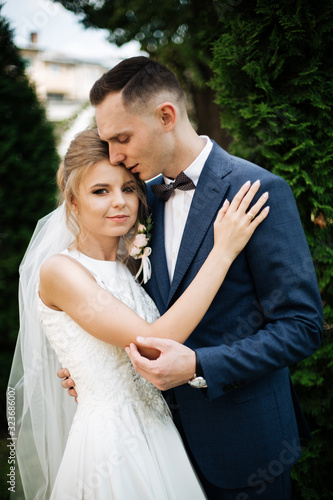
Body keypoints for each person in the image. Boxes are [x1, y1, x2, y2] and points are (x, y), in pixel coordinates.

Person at [59, 57, 323, 500]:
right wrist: (97, 364)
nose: (116, 155)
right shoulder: (139, 200)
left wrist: (200, 366)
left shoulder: (256, 191)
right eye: (108, 142)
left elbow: (302, 326)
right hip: (155, 450)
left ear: (166, 116)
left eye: (122, 138)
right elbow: (132, 306)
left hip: (247, 448)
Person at [8, 127, 269, 499]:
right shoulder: (60, 271)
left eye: (128, 188)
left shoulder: (133, 266)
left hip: (160, 430)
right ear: (73, 201)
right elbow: (154, 341)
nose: (119, 202)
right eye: (101, 191)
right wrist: (223, 251)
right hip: (112, 445)